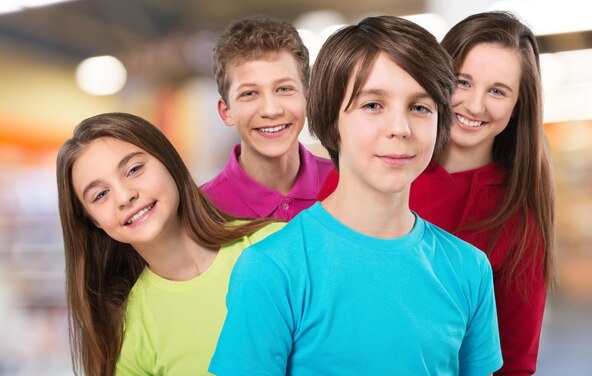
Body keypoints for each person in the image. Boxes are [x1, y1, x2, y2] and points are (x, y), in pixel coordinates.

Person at [209, 16, 503, 375]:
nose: (400, 128)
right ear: (331, 118)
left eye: (420, 107)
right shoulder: (273, 270)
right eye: (373, 105)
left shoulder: (469, 269)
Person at [318, 11, 556, 375]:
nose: (475, 105)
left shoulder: (519, 219)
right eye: (462, 82)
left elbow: (513, 363)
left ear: (517, 104)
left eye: (497, 91)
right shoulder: (371, 165)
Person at [56, 113, 283, 376]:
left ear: (168, 161)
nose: (125, 196)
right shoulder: (131, 332)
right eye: (100, 195)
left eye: (134, 169)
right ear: (93, 221)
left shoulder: (277, 246)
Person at [200, 16, 333, 220]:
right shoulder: (202, 212)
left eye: (284, 89)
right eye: (249, 93)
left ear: (307, 99)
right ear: (226, 112)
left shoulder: (346, 186)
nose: (271, 110)